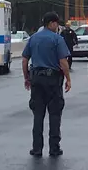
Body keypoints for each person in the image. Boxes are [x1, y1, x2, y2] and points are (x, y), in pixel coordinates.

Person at [22, 12, 72, 157]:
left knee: (38, 115)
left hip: (36, 80)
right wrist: (68, 79)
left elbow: (25, 59)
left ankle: (37, 148)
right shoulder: (57, 39)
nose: (57, 26)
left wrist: (26, 78)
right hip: (53, 81)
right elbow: (63, 62)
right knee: (55, 114)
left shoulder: (33, 38)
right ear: (51, 23)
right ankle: (54, 148)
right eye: (56, 23)